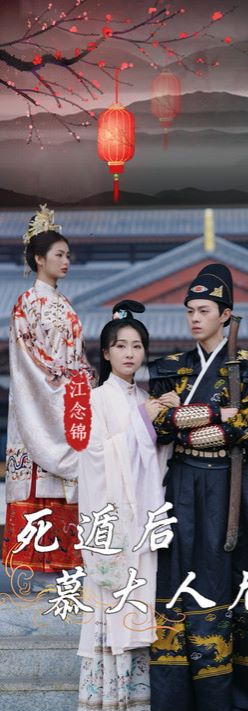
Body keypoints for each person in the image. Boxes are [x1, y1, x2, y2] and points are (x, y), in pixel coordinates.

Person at [148, 263, 248, 711]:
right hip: (183, 486)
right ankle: (181, 702)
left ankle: (237, 701)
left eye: (204, 310)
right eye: (190, 310)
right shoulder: (173, 368)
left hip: (232, 486)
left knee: (234, 580)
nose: (195, 318)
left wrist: (187, 417)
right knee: (182, 582)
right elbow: (159, 423)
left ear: (226, 314)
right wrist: (215, 415)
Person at [77, 300, 166, 711]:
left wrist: (160, 420)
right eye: (121, 345)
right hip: (112, 520)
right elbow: (94, 458)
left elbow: (158, 461)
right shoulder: (95, 400)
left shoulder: (146, 398)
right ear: (106, 352)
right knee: (113, 603)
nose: (130, 353)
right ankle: (110, 703)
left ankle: (139, 703)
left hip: (142, 520)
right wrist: (142, 423)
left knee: (139, 605)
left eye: (137, 346)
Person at [2, 205, 95, 579]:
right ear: (39, 259)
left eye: (68, 255)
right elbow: (29, 356)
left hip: (67, 397)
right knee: (40, 473)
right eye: (59, 254)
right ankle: (37, 562)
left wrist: (84, 384)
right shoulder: (26, 302)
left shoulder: (66, 305)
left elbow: (77, 356)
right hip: (41, 399)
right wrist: (63, 383)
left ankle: (65, 559)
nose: (66, 261)